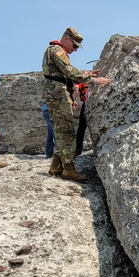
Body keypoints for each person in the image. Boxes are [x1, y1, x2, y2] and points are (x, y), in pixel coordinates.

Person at [42, 27, 110, 182]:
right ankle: (68, 169)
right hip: (58, 95)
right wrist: (93, 80)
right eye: (74, 46)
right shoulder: (56, 50)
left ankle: (56, 166)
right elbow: (69, 71)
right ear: (66, 39)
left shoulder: (56, 52)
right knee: (67, 133)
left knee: (61, 131)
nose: (75, 50)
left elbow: (64, 72)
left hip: (57, 94)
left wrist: (85, 73)